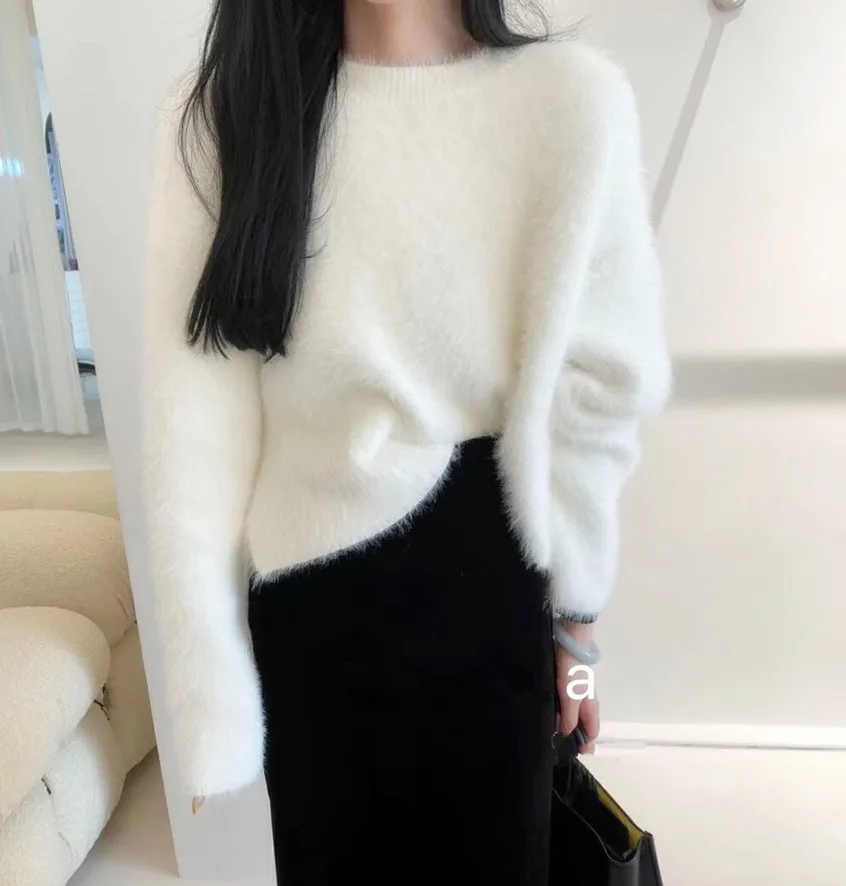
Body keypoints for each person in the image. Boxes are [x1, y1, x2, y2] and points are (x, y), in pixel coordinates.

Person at [142, 1, 671, 884]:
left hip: (489, 611)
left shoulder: (571, 102)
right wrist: (208, 686)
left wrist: (578, 640)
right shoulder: (230, 117)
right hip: (309, 625)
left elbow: (597, 394)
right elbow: (193, 426)